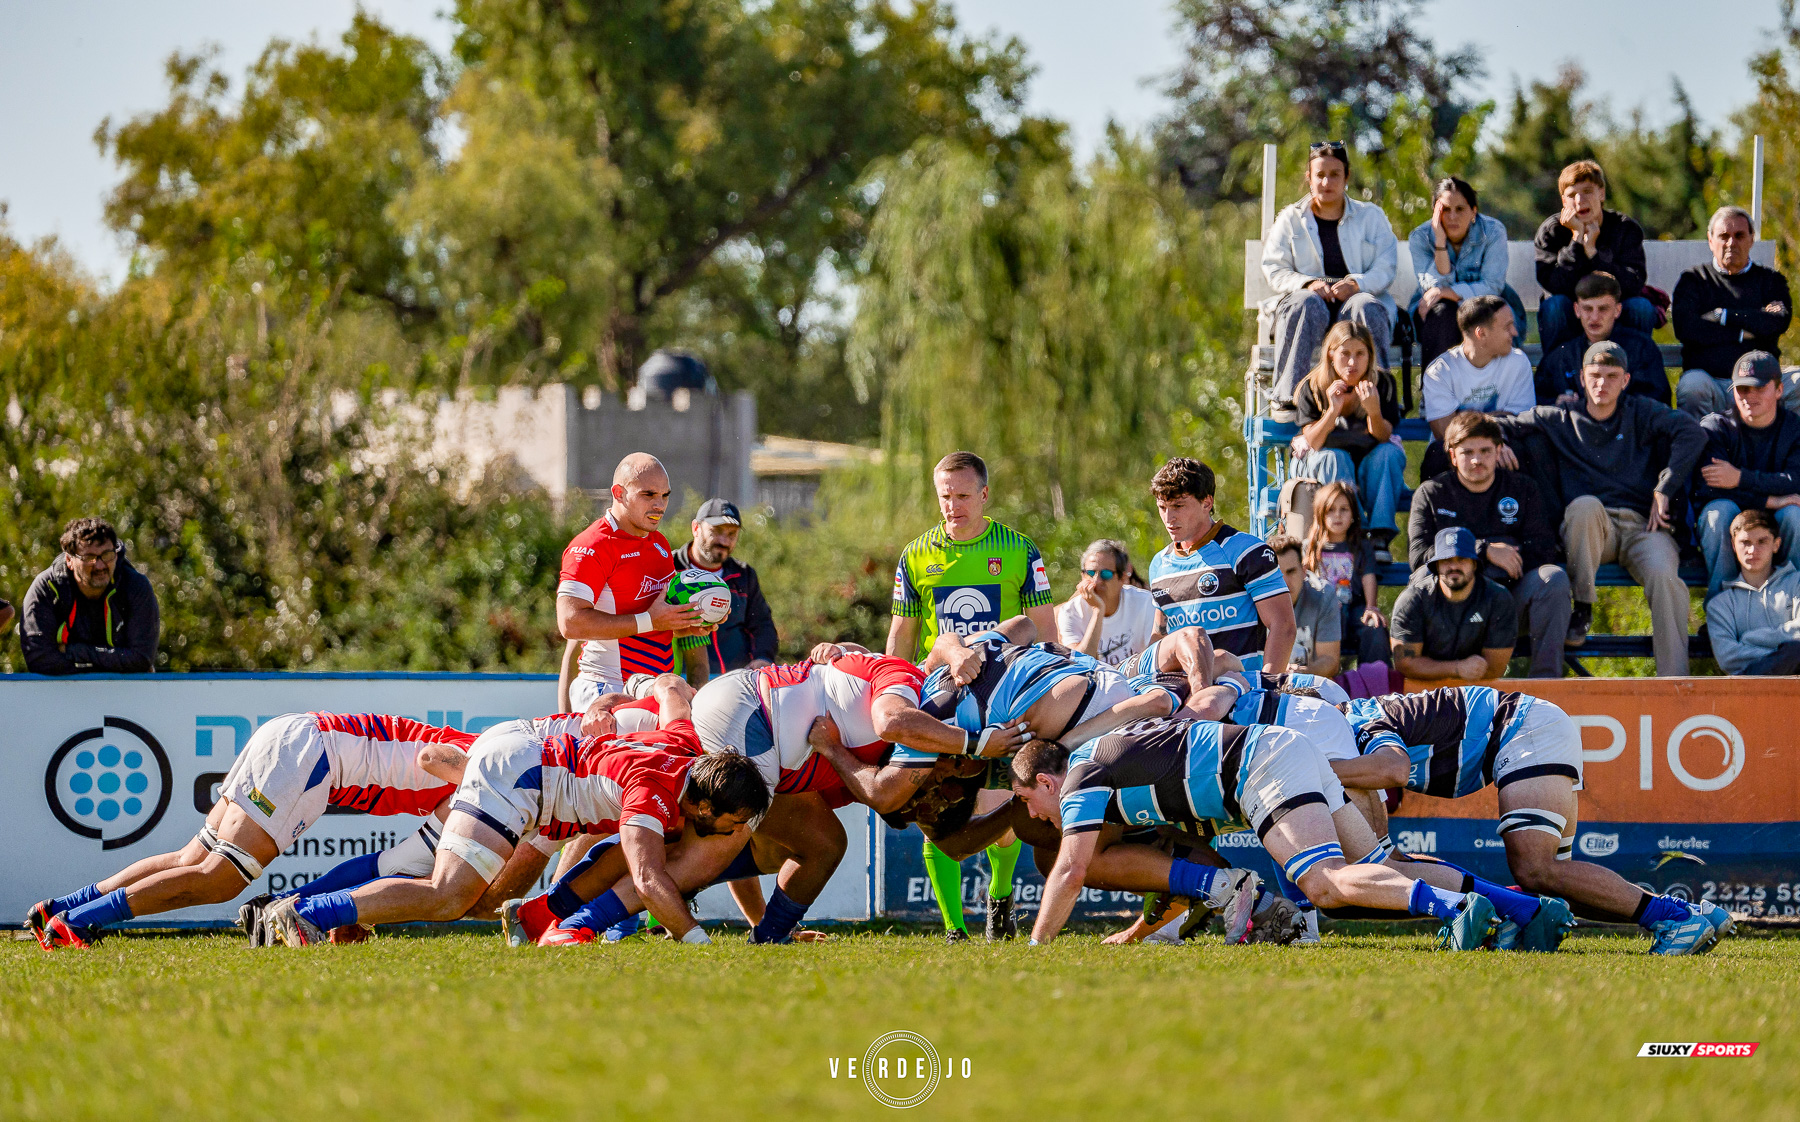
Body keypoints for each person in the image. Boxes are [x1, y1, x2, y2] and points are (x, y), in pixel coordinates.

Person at [261, 676, 768, 946]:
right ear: (702, 803)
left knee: (436, 881)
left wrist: (620, 695)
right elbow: (649, 879)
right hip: (521, 774)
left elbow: (674, 687)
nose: (736, 830)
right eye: (734, 820)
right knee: (449, 895)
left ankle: (323, 911)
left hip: (527, 764)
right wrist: (697, 941)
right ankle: (304, 912)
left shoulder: (685, 744)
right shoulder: (651, 793)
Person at [1011, 726, 1503, 949]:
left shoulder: (1079, 778)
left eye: (1028, 799)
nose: (1034, 813)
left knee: (1326, 884)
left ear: (1047, 783)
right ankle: (1525, 910)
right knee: (1387, 862)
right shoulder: (1104, 766)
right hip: (1284, 750)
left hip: (1263, 763)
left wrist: (1036, 946)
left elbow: (1073, 869)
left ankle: (1455, 909)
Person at [1338, 686, 1733, 954]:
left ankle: (1674, 918)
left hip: (1525, 729)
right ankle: (1693, 915)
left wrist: (1319, 767)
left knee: (1536, 868)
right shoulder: (1351, 722)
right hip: (1532, 727)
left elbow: (1392, 768)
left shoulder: (1355, 720)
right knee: (1553, 881)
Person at [29, 714, 474, 950]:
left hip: (293, 735)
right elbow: (430, 759)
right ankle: (80, 924)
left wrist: (341, 910)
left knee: (190, 860)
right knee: (219, 879)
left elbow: (393, 864)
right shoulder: (492, 766)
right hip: (311, 754)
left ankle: (62, 909)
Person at [888, 450, 1054, 944]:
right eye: (945, 496)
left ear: (984, 494)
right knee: (934, 813)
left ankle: (1000, 898)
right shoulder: (916, 554)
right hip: (938, 702)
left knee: (1002, 813)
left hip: (1005, 696)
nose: (953, 506)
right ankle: (954, 928)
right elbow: (900, 637)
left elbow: (1046, 632)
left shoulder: (1019, 549)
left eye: (963, 496)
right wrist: (891, 694)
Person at [1496, 341, 1706, 671]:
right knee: (1584, 507)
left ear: (1625, 380)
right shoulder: (1562, 417)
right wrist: (1498, 442)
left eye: (1612, 376)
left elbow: (1693, 432)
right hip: (1592, 531)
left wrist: (1665, 487)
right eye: (1595, 375)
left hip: (1642, 527)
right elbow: (1496, 424)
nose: (1602, 383)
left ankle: (1674, 684)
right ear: (1581, 377)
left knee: (1667, 579)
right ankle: (1583, 607)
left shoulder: (1642, 411)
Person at [1409, 412, 1571, 677]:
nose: (1476, 460)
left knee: (1552, 579)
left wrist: (1504, 566)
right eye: (1467, 452)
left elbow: (1541, 548)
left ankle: (1546, 684)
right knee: (1421, 579)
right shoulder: (1431, 493)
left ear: (1499, 452)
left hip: (1508, 602)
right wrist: (1484, 551)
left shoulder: (1523, 489)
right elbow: (1419, 556)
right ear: (1452, 456)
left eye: (1485, 451)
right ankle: (1424, 676)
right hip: (1449, 605)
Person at [557, 453, 709, 710]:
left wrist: (689, 623)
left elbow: (656, 620)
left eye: (665, 495)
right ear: (618, 493)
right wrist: (651, 620)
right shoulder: (591, 545)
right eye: (648, 495)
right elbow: (569, 623)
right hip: (605, 688)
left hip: (651, 690)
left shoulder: (659, 543)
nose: (660, 505)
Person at [1260, 140, 1398, 403]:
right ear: (1309, 178)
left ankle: (1377, 398)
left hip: (1355, 302)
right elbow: (1274, 268)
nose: (1326, 182)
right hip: (1311, 305)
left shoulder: (1371, 217)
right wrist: (1308, 283)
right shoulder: (1290, 218)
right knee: (1304, 303)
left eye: (1334, 174)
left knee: (1366, 305)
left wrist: (1357, 284)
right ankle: (1289, 399)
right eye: (1320, 175)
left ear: (1346, 177)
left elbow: (1386, 266)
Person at [1148, 457, 1295, 672]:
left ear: (1207, 503)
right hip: (1184, 692)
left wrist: (1266, 689)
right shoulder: (1159, 564)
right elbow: (1160, 637)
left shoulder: (1246, 551)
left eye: (1178, 506)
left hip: (1240, 690)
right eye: (1162, 507)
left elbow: (1283, 626)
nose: (1169, 517)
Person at [1290, 320, 1406, 553]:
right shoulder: (1312, 386)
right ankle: (1347, 535)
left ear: (1369, 355)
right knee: (1335, 458)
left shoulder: (1382, 384)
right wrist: (1332, 411)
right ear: (1331, 353)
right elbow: (1313, 442)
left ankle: (1379, 536)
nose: (1352, 363)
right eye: (1345, 353)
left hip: (1367, 460)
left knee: (1389, 454)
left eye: (1360, 354)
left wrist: (1374, 410)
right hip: (1322, 461)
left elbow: (1384, 437)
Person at [1673, 205, 1799, 419]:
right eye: (1724, 236)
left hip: (1763, 384)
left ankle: (1789, 451)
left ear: (1751, 239)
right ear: (1710, 240)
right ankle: (1700, 452)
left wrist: (1723, 315)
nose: (1731, 243)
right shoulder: (1693, 281)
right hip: (1712, 381)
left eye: (1739, 235)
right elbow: (1687, 329)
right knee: (1691, 386)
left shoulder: (1770, 281)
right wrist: (1744, 331)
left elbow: (1778, 322)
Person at [1694, 351, 1800, 596]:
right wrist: (1770, 500)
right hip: (1731, 518)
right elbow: (1708, 489)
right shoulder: (1715, 428)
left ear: (1779, 390)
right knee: (1717, 512)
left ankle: (1792, 610)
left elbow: (1796, 481)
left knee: (1795, 514)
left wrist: (1739, 478)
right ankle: (1723, 611)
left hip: (1777, 521)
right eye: (1742, 389)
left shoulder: (1794, 429)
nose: (1749, 397)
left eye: (1759, 388)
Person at [1533, 159, 1656, 350]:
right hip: (1571, 310)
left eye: (1587, 191)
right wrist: (1576, 240)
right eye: (1572, 195)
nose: (1580, 201)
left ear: (1602, 193)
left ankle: (1631, 374)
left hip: (1614, 310)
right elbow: (1554, 283)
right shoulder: (1552, 231)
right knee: (1555, 306)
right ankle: (1558, 374)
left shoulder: (1625, 228)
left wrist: (1592, 253)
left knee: (1641, 308)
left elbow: (1634, 283)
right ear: (1564, 202)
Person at [19, 517, 160, 675]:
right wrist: (110, 667)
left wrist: (74, 651)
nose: (100, 565)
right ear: (69, 560)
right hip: (61, 694)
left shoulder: (135, 586)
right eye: (89, 558)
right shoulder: (46, 588)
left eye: (107, 555)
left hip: (123, 693)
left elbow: (141, 659)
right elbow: (39, 661)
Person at [1408, 176, 1518, 369]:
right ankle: (1434, 392)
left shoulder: (1492, 232)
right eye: (1445, 210)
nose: (1452, 217)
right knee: (1442, 312)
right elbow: (1433, 287)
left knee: (1486, 319)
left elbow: (1492, 286)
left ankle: (1487, 395)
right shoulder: (1421, 237)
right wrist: (1440, 243)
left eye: (1460, 209)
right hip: (1436, 312)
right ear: (1435, 212)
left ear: (1473, 211)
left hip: (1484, 306)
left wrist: (1447, 292)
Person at [1419, 294, 1533, 480]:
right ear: (1481, 334)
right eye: (1507, 327)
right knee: (1436, 454)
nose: (1515, 332)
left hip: (1503, 444)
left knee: (1529, 448)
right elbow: (1445, 432)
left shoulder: (1518, 362)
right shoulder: (1440, 371)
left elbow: (1520, 421)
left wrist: (1462, 419)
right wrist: (1495, 426)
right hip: (1457, 451)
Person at [1389, 527, 1516, 683]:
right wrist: (1457, 668)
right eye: (1447, 560)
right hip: (1422, 692)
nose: (1454, 567)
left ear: (1475, 564)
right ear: (1436, 566)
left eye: (1462, 559)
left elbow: (1494, 668)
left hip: (1476, 689)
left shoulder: (1499, 599)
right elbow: (1405, 664)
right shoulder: (1412, 600)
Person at [674, 498, 779, 685]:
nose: (724, 541)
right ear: (696, 528)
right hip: (678, 683)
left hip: (735, 682)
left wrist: (763, 658)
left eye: (732, 534)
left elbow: (762, 625)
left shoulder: (744, 575)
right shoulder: (669, 568)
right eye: (717, 532)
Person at [1534, 271, 1669, 407]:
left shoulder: (1642, 350)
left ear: (1617, 310)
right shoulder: (1560, 355)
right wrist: (1556, 404)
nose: (1594, 317)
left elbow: (1659, 401)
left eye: (1603, 309)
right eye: (1587, 309)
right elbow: (1538, 400)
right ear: (1577, 310)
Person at [1301, 482, 1388, 665]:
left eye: (1344, 509)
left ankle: (1376, 681)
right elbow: (1303, 581)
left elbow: (1369, 576)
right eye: (1330, 510)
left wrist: (1371, 607)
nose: (1337, 516)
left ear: (1353, 515)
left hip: (1354, 609)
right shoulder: (1310, 548)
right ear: (1320, 514)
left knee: (1375, 628)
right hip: (1321, 613)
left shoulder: (1362, 546)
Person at [1706, 509, 1800, 675]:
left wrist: (1750, 639)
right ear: (1734, 545)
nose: (1752, 550)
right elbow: (1728, 657)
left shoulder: (1796, 583)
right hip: (1751, 683)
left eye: (1762, 541)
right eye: (1745, 542)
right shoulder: (1720, 605)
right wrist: (1781, 657)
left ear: (1776, 545)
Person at [1055, 539, 1158, 667]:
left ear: (1123, 578)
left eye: (1106, 574)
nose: (1097, 581)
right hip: (1093, 683)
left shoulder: (1145, 602)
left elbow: (1155, 657)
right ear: (1082, 575)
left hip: (1136, 680)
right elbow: (1080, 665)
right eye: (1090, 573)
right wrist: (1098, 610)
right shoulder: (1070, 612)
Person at [1268, 534, 1342, 678]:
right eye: (1276, 574)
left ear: (1303, 571)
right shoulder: (1254, 599)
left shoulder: (1323, 595)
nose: (1285, 582)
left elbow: (1330, 661)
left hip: (1309, 685)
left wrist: (1300, 673)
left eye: (1291, 572)